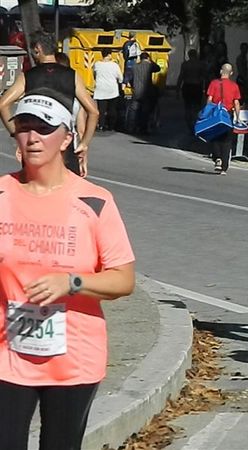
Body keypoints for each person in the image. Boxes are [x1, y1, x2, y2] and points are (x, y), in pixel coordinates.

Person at [0, 90, 135, 450]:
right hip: (7, 353)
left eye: (44, 129)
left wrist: (72, 282)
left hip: (74, 356)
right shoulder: (1, 194)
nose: (32, 137)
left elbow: (124, 279)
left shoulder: (94, 201)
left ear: (66, 138)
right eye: (24, 128)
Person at [0, 31, 99, 176]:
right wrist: (84, 144)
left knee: (34, 189)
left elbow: (3, 104)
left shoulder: (28, 76)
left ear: (38, 49)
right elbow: (94, 111)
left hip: (35, 145)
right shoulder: (71, 75)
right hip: (62, 142)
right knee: (66, 190)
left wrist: (17, 134)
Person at [55, 52, 89, 177]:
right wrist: (83, 156)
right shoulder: (76, 95)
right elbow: (81, 130)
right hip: (70, 146)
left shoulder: (43, 91)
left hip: (48, 148)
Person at [206, 63, 241, 175]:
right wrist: (237, 117)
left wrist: (208, 112)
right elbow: (236, 102)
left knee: (214, 137)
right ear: (231, 73)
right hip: (228, 114)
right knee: (227, 140)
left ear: (221, 71)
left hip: (216, 113)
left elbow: (209, 99)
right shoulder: (234, 86)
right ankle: (224, 167)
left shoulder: (214, 83)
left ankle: (217, 158)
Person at [176, 49, 207, 133]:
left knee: (187, 107)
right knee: (197, 107)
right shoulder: (200, 64)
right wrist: (205, 89)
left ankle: (190, 125)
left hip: (187, 85)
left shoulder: (185, 64)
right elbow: (204, 77)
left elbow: (181, 77)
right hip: (197, 86)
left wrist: (177, 89)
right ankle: (195, 124)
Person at [93, 48, 123, 131]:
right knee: (112, 109)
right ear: (109, 55)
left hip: (100, 90)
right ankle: (111, 126)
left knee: (101, 110)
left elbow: (94, 75)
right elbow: (120, 78)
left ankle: (101, 125)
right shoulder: (114, 65)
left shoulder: (97, 64)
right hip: (112, 90)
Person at [131, 52, 160, 134]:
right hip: (146, 92)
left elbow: (131, 77)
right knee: (145, 111)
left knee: (135, 110)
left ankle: (133, 127)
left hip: (136, 91)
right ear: (147, 58)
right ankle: (143, 128)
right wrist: (151, 61)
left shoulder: (134, 66)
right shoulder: (149, 66)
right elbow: (158, 68)